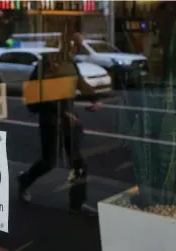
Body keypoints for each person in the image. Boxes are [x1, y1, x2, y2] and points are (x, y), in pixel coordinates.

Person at [17, 32, 101, 214]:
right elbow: (37, 93)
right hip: (51, 120)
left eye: (79, 46)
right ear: (66, 45)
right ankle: (24, 180)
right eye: (76, 46)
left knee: (77, 161)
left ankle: (77, 204)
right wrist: (61, 112)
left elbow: (79, 82)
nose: (77, 50)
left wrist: (94, 98)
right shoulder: (48, 63)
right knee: (49, 162)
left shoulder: (70, 63)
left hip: (69, 119)